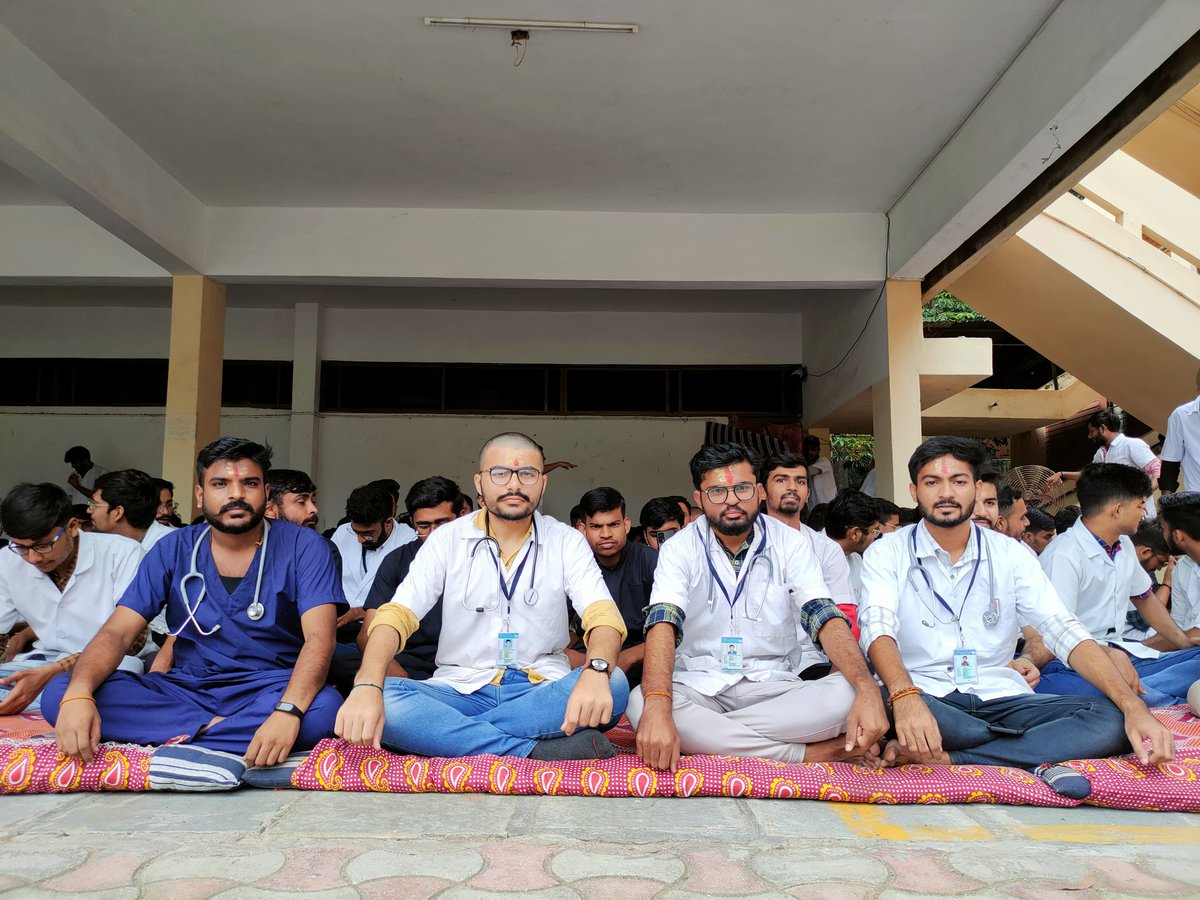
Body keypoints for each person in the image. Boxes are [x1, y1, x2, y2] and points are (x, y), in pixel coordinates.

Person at [858, 437, 1173, 797]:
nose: (946, 492)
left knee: (1113, 719)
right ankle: (1030, 750)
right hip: (928, 696)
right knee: (886, 705)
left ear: (976, 489)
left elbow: (1062, 628)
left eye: (958, 481)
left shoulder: (1010, 553)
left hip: (1001, 696)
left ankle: (953, 757)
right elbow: (877, 627)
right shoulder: (888, 552)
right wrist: (905, 697)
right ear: (915, 490)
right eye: (932, 482)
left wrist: (1133, 706)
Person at [45, 437, 343, 767]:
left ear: (265, 491)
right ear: (200, 495)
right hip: (187, 687)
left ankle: (178, 735)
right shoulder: (174, 548)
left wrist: (287, 710)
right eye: (220, 484)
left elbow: (320, 640)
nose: (236, 495)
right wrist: (79, 694)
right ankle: (223, 734)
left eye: (250, 483)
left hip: (270, 687)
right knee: (60, 693)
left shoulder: (305, 546)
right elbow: (118, 633)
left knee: (322, 710)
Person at [335, 432, 629, 761]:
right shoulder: (447, 539)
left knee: (613, 682)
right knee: (386, 698)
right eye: (500, 473)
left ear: (542, 484)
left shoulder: (566, 541)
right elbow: (397, 614)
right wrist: (367, 684)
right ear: (479, 483)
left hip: (542, 688)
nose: (514, 484)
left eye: (527, 474)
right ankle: (531, 750)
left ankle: (450, 735)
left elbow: (602, 616)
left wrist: (597, 669)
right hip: (460, 688)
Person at [630, 443, 887, 770]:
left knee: (852, 692)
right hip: (700, 685)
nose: (732, 500)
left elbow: (823, 614)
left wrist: (865, 687)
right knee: (642, 703)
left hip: (774, 687)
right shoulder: (679, 548)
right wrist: (658, 708)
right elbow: (663, 623)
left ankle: (714, 736)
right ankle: (808, 753)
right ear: (699, 498)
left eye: (742, 488)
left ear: (760, 491)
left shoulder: (791, 543)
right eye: (717, 491)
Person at [1033, 464, 1200, 707]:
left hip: (1123, 654)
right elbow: (1057, 633)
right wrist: (1107, 660)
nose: (1144, 514)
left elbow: (1144, 599)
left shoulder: (1123, 545)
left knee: (1196, 658)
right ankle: (1145, 696)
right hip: (1075, 662)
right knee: (1093, 687)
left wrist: (1182, 642)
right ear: (1118, 509)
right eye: (1140, 506)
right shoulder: (1064, 554)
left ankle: (1140, 695)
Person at [0, 483, 143, 714]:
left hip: (113, 664)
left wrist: (54, 672)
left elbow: (133, 643)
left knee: (73, 700)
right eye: (22, 548)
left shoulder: (122, 553)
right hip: (40, 661)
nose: (34, 558)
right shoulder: (7, 561)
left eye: (43, 545)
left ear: (72, 527)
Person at [352, 476, 469, 685]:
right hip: (409, 667)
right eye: (424, 526)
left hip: (469, 669)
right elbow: (367, 634)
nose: (434, 535)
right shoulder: (397, 561)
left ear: (462, 517)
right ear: (413, 523)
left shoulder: (485, 557)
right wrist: (402, 680)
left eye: (443, 524)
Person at [759, 451, 857, 642]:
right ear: (762, 491)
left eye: (800, 482)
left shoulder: (827, 549)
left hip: (813, 658)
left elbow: (845, 613)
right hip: (757, 657)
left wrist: (836, 671)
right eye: (781, 480)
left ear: (808, 495)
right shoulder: (744, 542)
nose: (792, 488)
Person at [570, 487, 657, 685]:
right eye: (596, 527)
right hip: (589, 653)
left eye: (614, 524)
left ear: (626, 525)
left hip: (642, 653)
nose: (606, 534)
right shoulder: (575, 563)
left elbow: (675, 629)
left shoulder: (649, 560)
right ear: (582, 529)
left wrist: (629, 657)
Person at [1048, 409, 1160, 517]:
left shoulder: (1132, 445)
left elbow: (1158, 471)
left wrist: (1141, 496)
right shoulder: (1100, 453)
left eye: (1092, 431)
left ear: (1102, 428)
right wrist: (1061, 474)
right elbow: (1089, 475)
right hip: (1117, 515)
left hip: (1142, 516)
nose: (1090, 436)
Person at [330, 484, 417, 613]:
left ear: (388, 523)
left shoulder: (409, 541)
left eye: (368, 534)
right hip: (340, 619)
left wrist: (359, 613)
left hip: (380, 623)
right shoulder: (342, 533)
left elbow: (408, 599)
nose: (360, 539)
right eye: (355, 532)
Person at [1153, 493, 1200, 647]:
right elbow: (1177, 623)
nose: (1162, 535)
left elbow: (1196, 634)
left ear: (1178, 536)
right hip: (1186, 652)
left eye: (1163, 529)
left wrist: (1143, 648)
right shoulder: (1182, 567)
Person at [88, 469, 175, 551]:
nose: (88, 510)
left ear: (118, 512)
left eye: (94, 505)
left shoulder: (173, 545)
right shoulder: (98, 542)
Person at [822, 490, 883, 607]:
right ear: (855, 534)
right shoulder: (810, 557)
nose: (877, 536)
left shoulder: (857, 559)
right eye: (875, 531)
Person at [1124, 518, 1174, 643]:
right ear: (1145, 552)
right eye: (1162, 563)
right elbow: (1143, 621)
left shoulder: (1144, 568)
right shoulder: (1124, 568)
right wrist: (1167, 582)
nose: (1159, 568)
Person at [1161, 368, 1200, 495]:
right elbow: (1170, 463)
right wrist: (1166, 507)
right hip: (1196, 499)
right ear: (1198, 391)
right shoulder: (1181, 416)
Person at [802, 435, 838, 510]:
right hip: (813, 508)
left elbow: (809, 471)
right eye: (807, 449)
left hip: (828, 507)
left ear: (818, 450)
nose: (809, 452)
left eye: (813, 449)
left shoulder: (824, 462)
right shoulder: (804, 464)